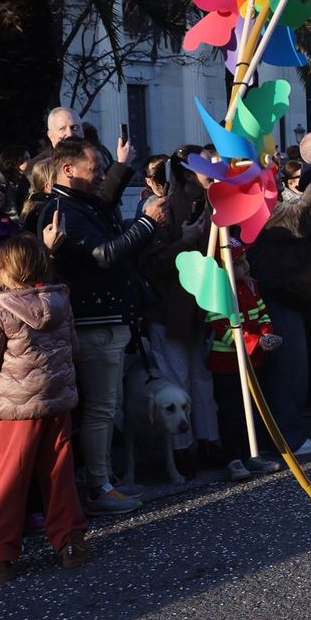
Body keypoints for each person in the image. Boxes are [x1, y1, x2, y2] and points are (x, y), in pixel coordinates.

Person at [0, 233, 90, 579]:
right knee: (58, 471)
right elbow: (73, 349)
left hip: (15, 406)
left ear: (4, 270)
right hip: (56, 399)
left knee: (7, 477)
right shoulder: (60, 301)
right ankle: (71, 541)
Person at [42, 137, 166, 512]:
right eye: (95, 168)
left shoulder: (83, 204)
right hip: (94, 322)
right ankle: (99, 486)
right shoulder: (63, 209)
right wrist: (146, 223)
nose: (100, 176)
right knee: (100, 408)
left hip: (110, 317)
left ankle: (105, 479)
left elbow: (109, 222)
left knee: (105, 407)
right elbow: (104, 253)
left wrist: (122, 169)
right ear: (68, 169)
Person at [137, 150, 219, 474]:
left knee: (203, 380)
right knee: (177, 381)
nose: (213, 169)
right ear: (186, 173)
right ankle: (181, 453)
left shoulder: (214, 204)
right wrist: (184, 241)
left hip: (201, 308)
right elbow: (150, 264)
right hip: (169, 310)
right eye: (204, 166)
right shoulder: (163, 208)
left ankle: (210, 442)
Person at [247, 184, 311, 458]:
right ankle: (288, 437)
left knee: (293, 369)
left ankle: (289, 432)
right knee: (287, 370)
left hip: (290, 293)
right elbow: (294, 221)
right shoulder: (253, 204)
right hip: (277, 293)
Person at [203, 240, 284, 481]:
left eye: (245, 260)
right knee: (231, 412)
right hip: (227, 364)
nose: (246, 266)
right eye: (238, 262)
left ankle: (253, 454)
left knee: (253, 409)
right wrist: (253, 342)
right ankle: (233, 459)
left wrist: (267, 334)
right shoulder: (216, 291)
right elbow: (222, 327)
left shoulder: (251, 287)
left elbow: (262, 314)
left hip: (253, 361)